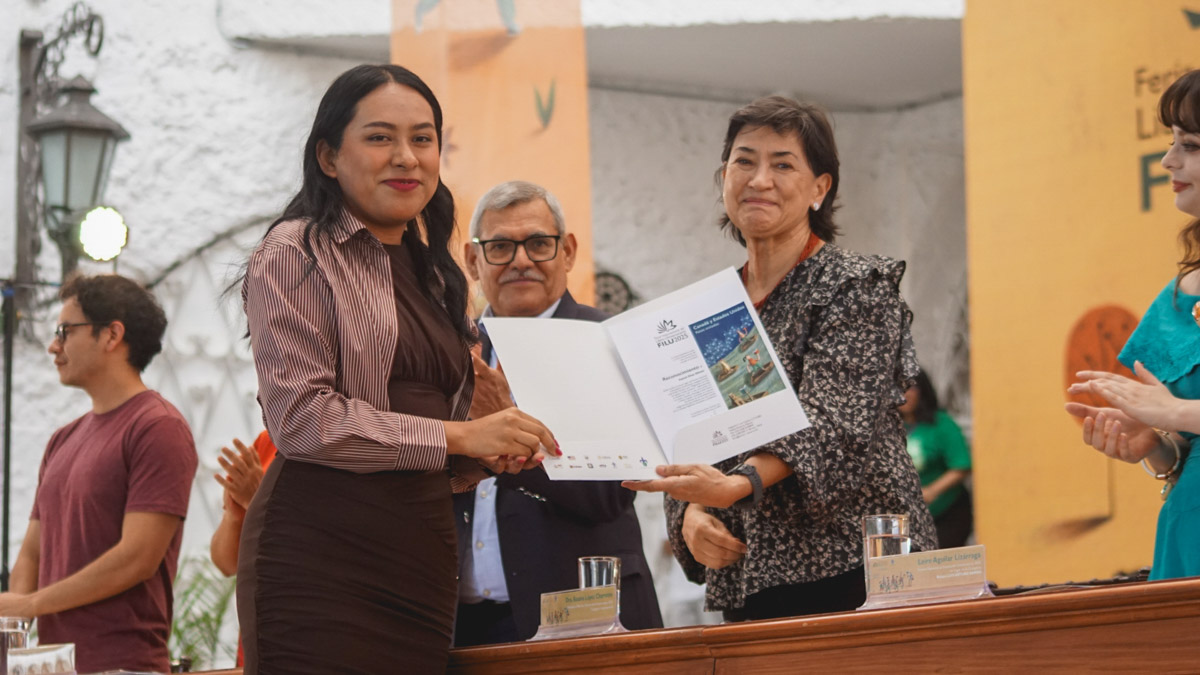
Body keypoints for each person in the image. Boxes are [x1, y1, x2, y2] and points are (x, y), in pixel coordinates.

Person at [238, 65, 557, 673]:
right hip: (318, 554)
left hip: (420, 556)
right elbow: (303, 421)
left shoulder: (434, 271)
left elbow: (436, 428)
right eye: (380, 137)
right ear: (329, 157)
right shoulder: (294, 253)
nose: (407, 157)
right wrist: (461, 436)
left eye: (423, 138)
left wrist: (487, 453)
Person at [624, 95, 936, 621]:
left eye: (783, 164)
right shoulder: (710, 309)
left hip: (862, 565)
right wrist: (692, 513)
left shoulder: (855, 287)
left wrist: (736, 485)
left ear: (820, 188)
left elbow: (834, 422)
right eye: (744, 161)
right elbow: (691, 430)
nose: (759, 179)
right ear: (724, 178)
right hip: (751, 572)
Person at [453, 180, 662, 645]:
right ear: (472, 260)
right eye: (500, 247)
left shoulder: (609, 342)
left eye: (538, 244)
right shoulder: (449, 351)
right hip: (459, 629)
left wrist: (507, 424)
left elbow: (609, 493)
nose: (520, 261)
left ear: (567, 251)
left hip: (584, 617)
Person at [0, 274, 197, 674]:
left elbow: (137, 558)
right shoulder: (62, 439)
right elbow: (33, 554)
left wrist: (31, 603)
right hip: (53, 665)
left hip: (123, 665)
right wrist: (13, 627)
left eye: (65, 331)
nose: (53, 346)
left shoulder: (158, 427)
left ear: (111, 335)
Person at [1065, 69, 1200, 580]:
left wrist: (1175, 410)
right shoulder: (1180, 295)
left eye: (1190, 145)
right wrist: (1157, 447)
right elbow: (1186, 453)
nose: (1169, 161)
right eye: (1171, 143)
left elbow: (1180, 411)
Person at [900, 369, 973, 549]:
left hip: (946, 512)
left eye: (911, 388)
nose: (905, 394)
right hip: (908, 518)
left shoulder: (941, 423)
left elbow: (962, 465)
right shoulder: (888, 427)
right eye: (898, 388)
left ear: (922, 390)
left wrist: (932, 491)